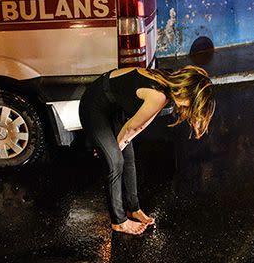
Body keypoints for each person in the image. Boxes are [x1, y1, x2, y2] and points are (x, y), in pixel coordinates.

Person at [79, 66, 215, 234]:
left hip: (115, 107)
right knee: (116, 161)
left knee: (127, 157)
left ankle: (133, 208)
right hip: (94, 105)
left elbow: (142, 124)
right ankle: (119, 221)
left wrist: (119, 144)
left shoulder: (166, 80)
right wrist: (114, 147)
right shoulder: (159, 95)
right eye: (192, 103)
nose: (188, 109)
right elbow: (131, 128)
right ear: (185, 90)